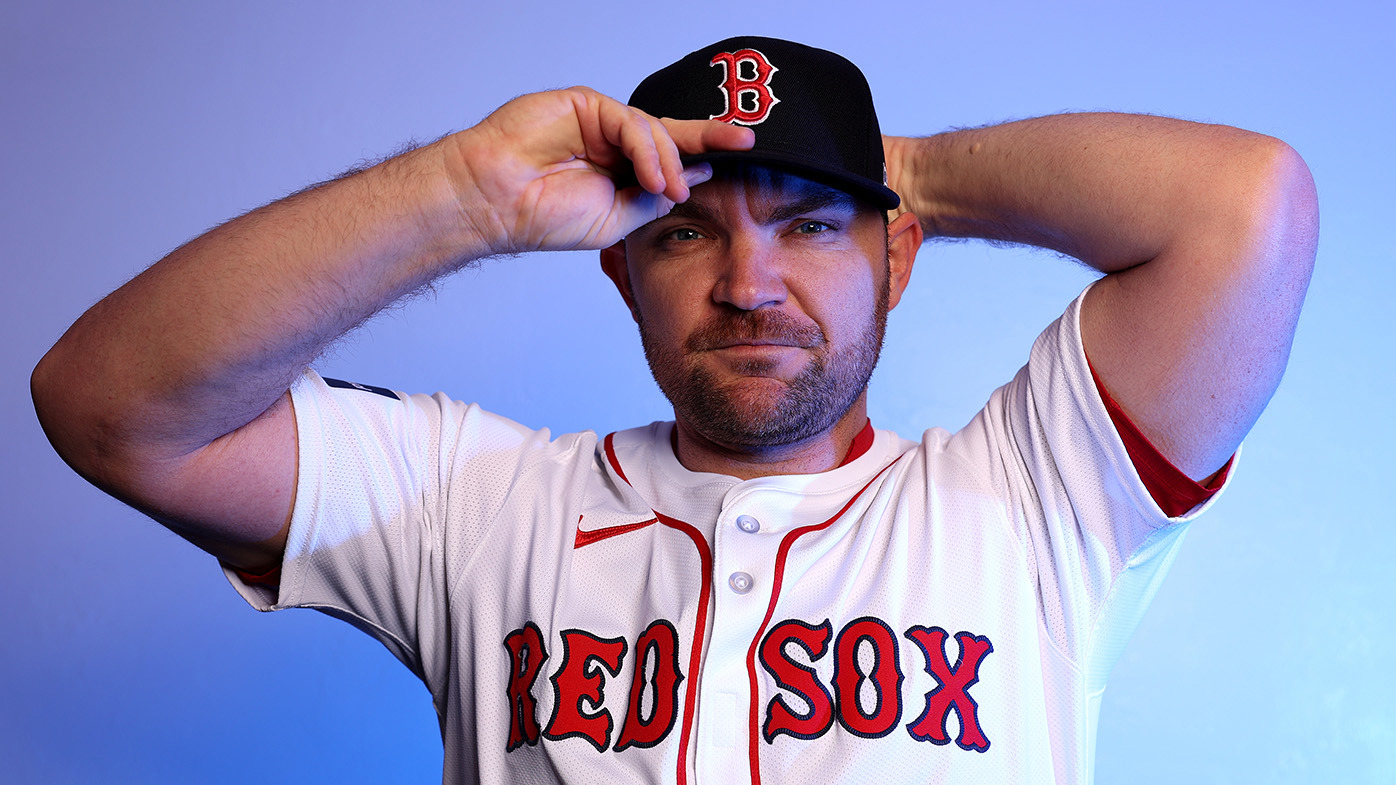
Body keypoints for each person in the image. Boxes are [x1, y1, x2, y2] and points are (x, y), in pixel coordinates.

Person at [31, 36, 1315, 784]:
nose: (750, 285)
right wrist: (469, 194)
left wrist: (894, 168)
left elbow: (1245, 209)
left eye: (812, 227)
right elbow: (109, 406)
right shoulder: (475, 505)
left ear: (899, 259)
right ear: (622, 271)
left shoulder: (1034, 497)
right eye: (689, 231)